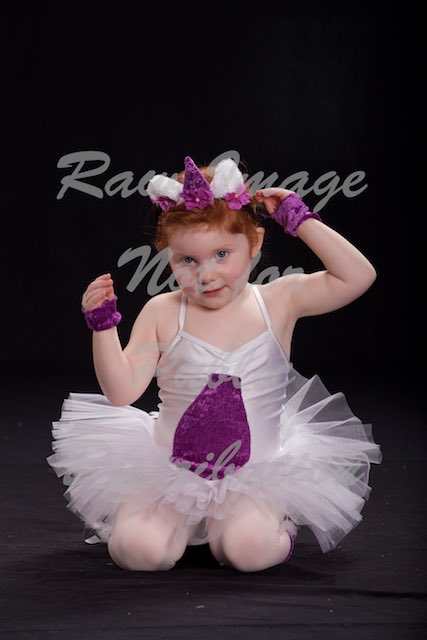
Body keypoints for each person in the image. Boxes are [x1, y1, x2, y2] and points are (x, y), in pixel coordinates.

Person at [46, 155, 382, 573]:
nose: (206, 276)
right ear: (168, 257)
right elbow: (121, 392)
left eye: (222, 254)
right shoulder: (163, 311)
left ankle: (265, 523)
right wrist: (103, 327)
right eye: (187, 261)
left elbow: (358, 276)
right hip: (170, 470)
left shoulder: (279, 300)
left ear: (254, 243)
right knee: (139, 554)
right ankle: (159, 523)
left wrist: (300, 219)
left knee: (247, 553)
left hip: (255, 471)